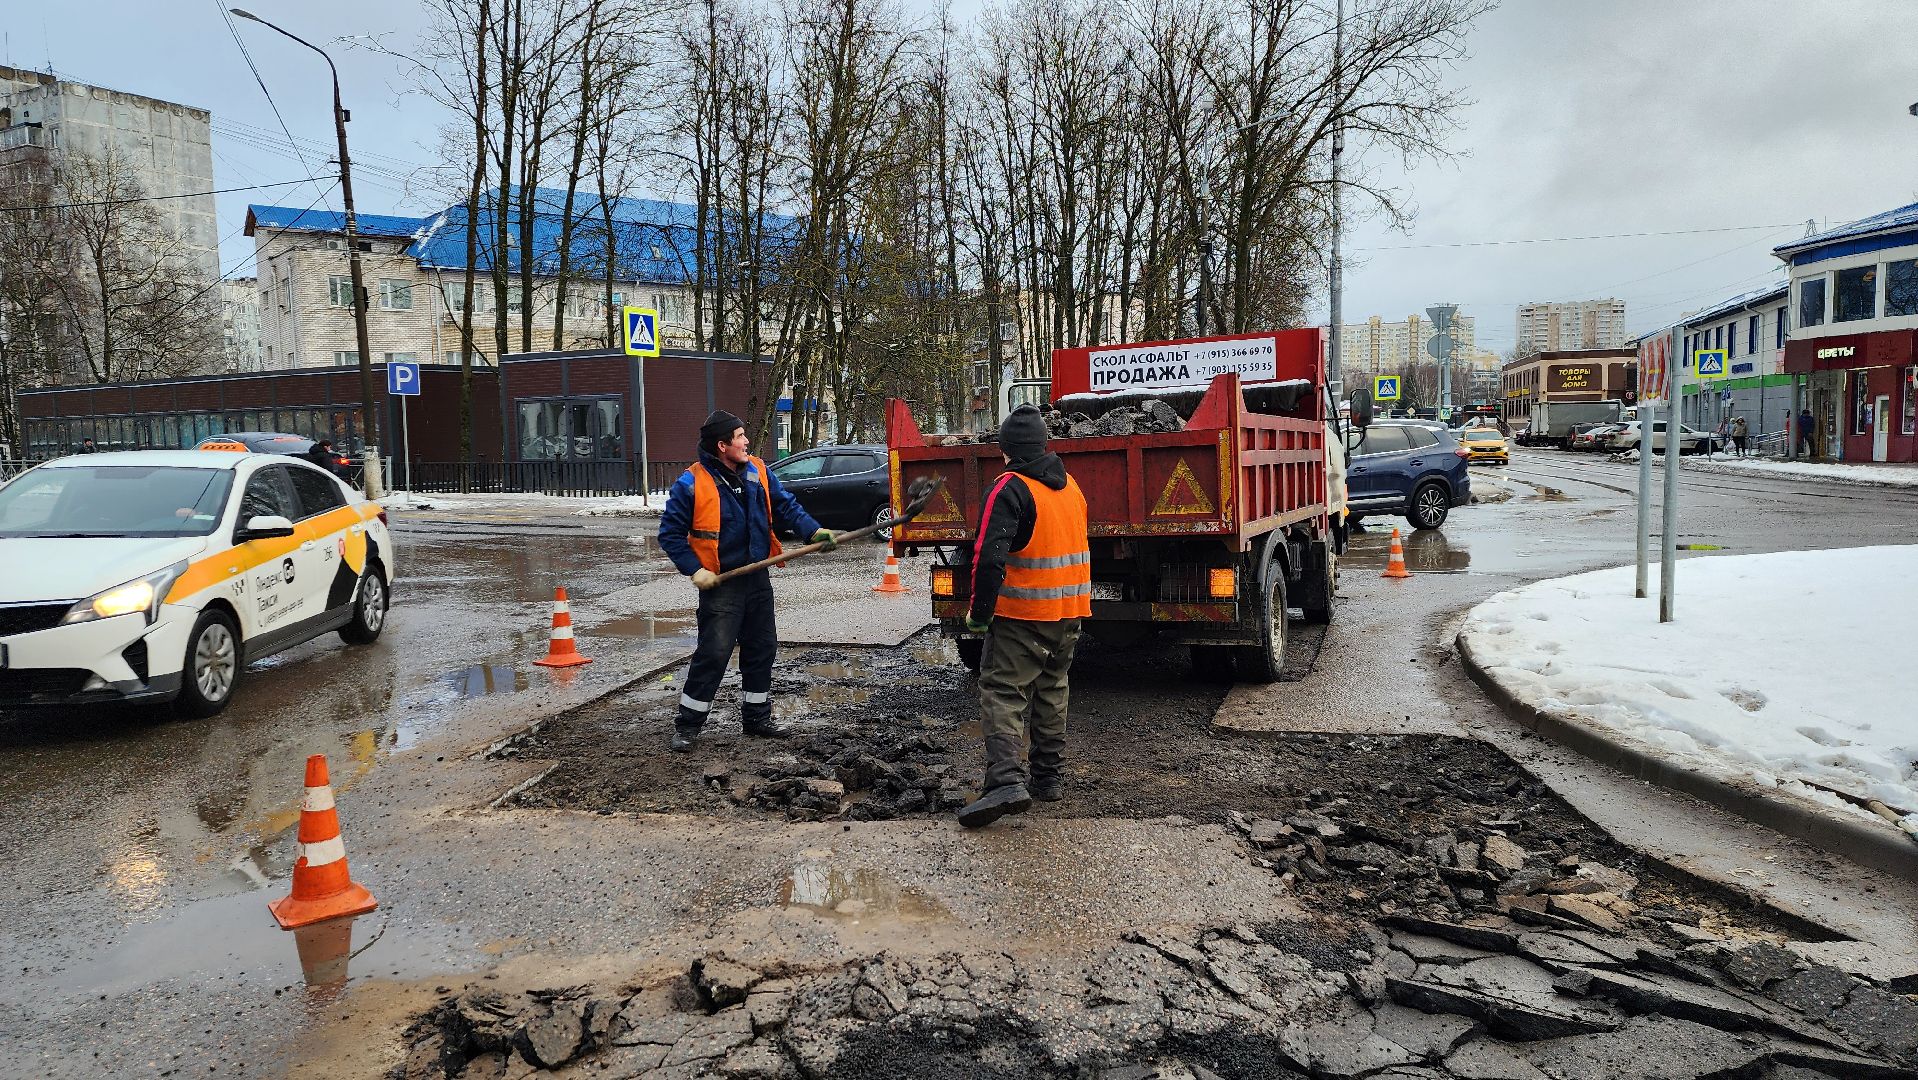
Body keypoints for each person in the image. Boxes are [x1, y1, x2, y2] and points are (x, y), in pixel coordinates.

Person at [658, 410, 835, 752]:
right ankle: (688, 726)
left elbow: (786, 507)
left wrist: (813, 530)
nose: (746, 441)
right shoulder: (691, 483)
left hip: (757, 576)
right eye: (739, 436)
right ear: (722, 445)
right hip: (722, 583)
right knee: (714, 653)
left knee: (761, 649)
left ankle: (757, 719)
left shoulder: (758, 471)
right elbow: (670, 535)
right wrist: (695, 570)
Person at [956, 404, 1091, 829]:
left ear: (1005, 449)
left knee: (1002, 690)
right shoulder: (1070, 486)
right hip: (1069, 613)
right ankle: (1048, 779)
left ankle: (1004, 781)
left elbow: (987, 558)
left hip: (1023, 614)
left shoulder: (1009, 487)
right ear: (1044, 444)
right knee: (1053, 688)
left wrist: (979, 615)